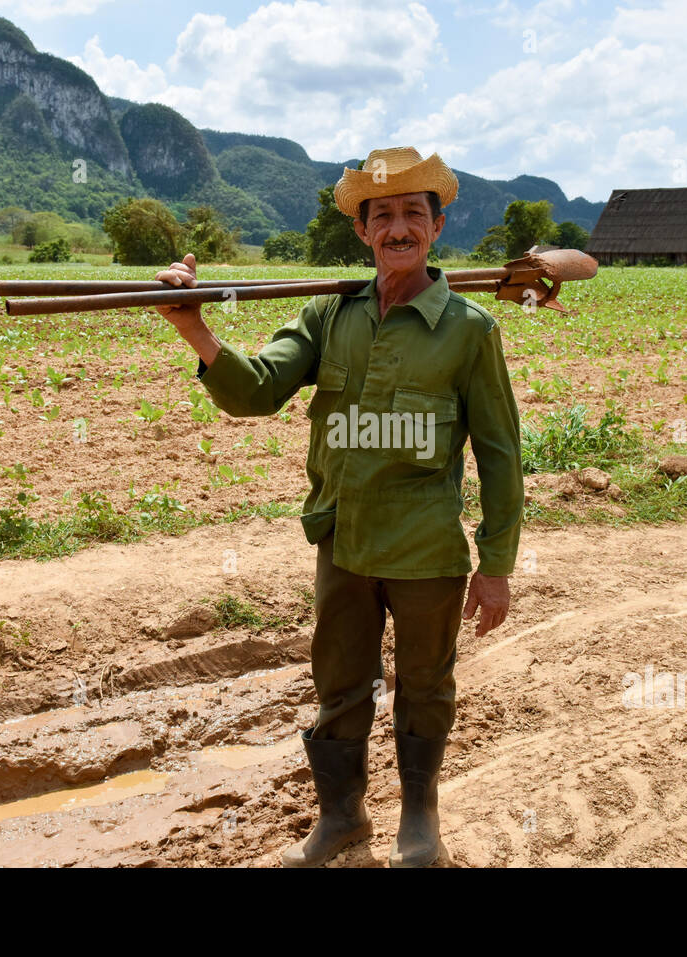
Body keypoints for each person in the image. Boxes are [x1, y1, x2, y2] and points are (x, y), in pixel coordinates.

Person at [154, 146, 524, 867]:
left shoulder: (470, 329)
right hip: (343, 544)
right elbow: (257, 390)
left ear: (437, 226)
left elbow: (501, 452)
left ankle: (420, 819)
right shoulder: (329, 315)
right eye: (380, 214)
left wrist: (497, 562)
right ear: (361, 231)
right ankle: (342, 816)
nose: (396, 228)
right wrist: (193, 327)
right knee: (341, 687)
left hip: (427, 553)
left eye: (412, 213)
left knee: (425, 687)